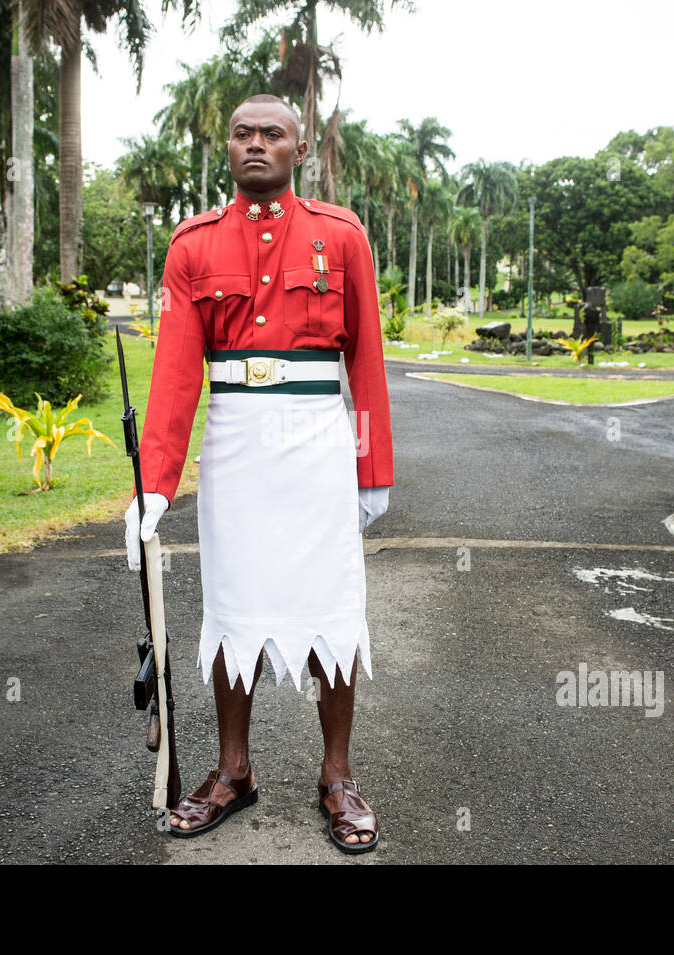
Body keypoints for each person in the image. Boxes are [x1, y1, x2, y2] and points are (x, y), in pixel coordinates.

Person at [123, 93, 393, 853]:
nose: (255, 144)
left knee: (331, 607)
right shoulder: (194, 245)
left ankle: (336, 775)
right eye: (242, 133)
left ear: (298, 150)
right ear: (229, 146)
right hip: (237, 441)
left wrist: (373, 468)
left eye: (272, 134)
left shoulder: (340, 237)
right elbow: (176, 374)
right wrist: (154, 483)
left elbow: (365, 361)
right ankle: (232, 770)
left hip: (316, 439)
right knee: (232, 607)